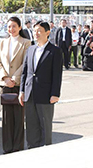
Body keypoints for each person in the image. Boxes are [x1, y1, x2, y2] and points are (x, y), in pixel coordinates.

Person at [19, 21, 63, 149]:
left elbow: (57, 75)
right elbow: (25, 72)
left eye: (39, 31)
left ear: (47, 33)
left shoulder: (55, 51)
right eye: (34, 31)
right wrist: (22, 91)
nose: (36, 34)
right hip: (30, 93)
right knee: (31, 126)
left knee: (45, 125)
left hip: (46, 94)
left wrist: (55, 94)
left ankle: (46, 153)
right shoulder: (30, 49)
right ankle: (32, 150)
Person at [0, 17, 31, 154]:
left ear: (20, 27)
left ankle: (18, 146)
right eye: (9, 26)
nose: (11, 29)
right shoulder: (2, 43)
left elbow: (26, 63)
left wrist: (14, 79)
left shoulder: (26, 43)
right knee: (6, 118)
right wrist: (5, 77)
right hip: (5, 84)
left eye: (14, 26)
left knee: (19, 117)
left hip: (19, 84)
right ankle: (7, 147)